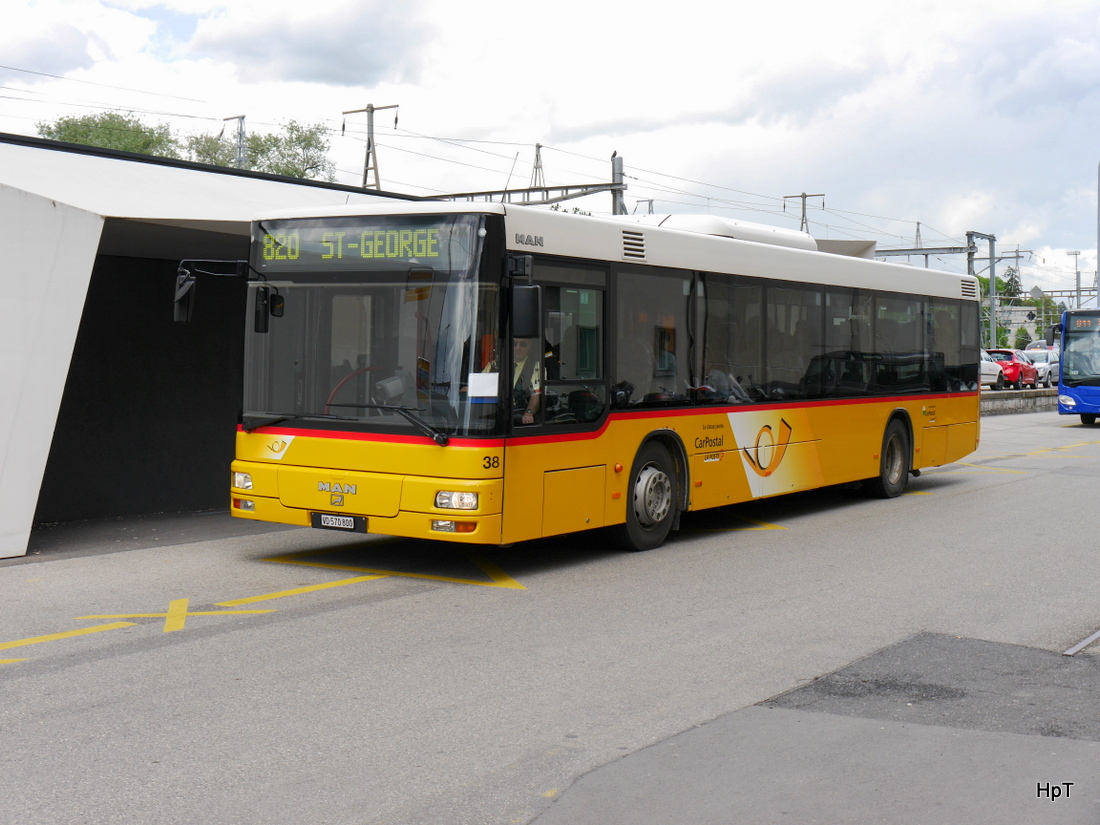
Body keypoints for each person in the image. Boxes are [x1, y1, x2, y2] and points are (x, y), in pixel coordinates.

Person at [483, 338, 542, 425]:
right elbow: (479, 387)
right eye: (514, 344)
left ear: (529, 346)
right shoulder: (493, 365)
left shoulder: (536, 367)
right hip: (493, 417)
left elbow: (536, 396)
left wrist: (528, 413)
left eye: (523, 344)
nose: (518, 348)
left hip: (518, 419)